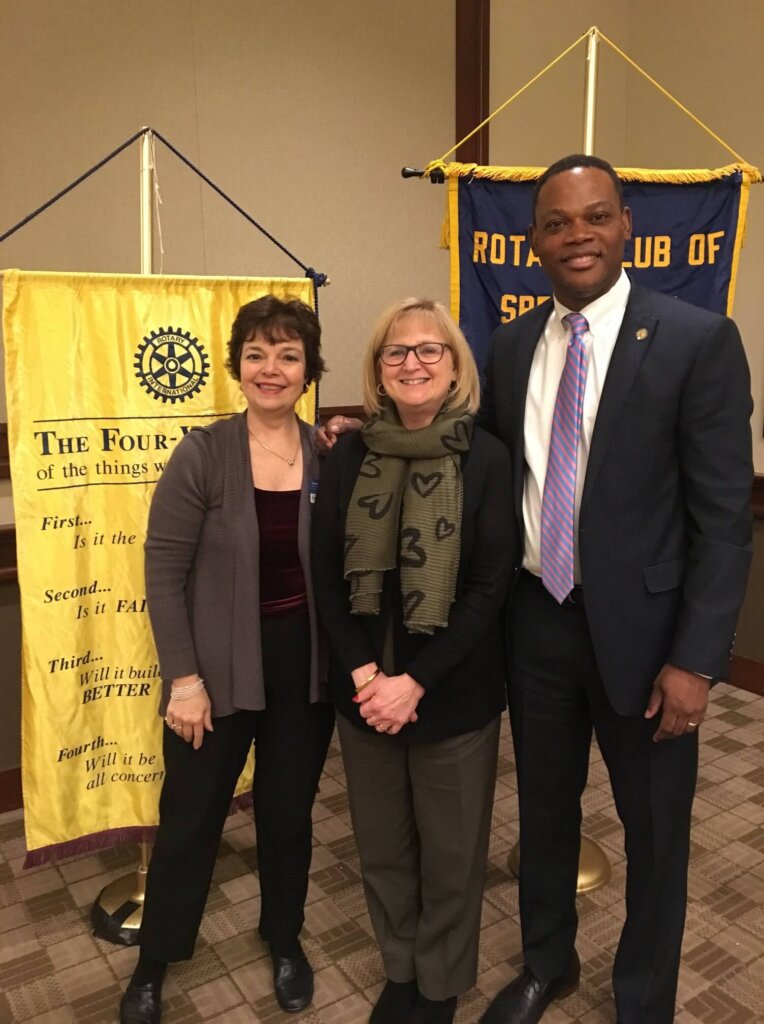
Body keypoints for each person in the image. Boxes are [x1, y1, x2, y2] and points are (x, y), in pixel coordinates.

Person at [477, 155, 753, 1024]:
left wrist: (697, 663)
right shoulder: (515, 342)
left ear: (626, 223)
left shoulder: (695, 338)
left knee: (655, 832)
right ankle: (545, 966)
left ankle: (643, 1000)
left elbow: (722, 519)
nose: (577, 235)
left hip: (650, 641)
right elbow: (496, 474)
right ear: (535, 241)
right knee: (546, 814)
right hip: (539, 621)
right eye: (557, 223)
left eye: (595, 217)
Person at [119, 296, 335, 1024]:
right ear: (236, 365)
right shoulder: (203, 454)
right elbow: (162, 570)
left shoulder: (327, 455)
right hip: (209, 677)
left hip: (302, 673)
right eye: (256, 354)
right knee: (189, 822)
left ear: (309, 371)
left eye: (287, 355)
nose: (270, 369)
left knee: (286, 818)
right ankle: (155, 962)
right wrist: (182, 679)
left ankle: (284, 939)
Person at [312, 298, 515, 1024]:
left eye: (430, 351)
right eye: (396, 353)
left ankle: (439, 983)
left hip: (452, 691)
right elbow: (325, 573)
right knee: (384, 849)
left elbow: (492, 584)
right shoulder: (350, 456)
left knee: (454, 857)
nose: (413, 364)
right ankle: (400, 968)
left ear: (455, 365)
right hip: (364, 690)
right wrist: (367, 675)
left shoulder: (486, 458)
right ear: (377, 370)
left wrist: (415, 682)